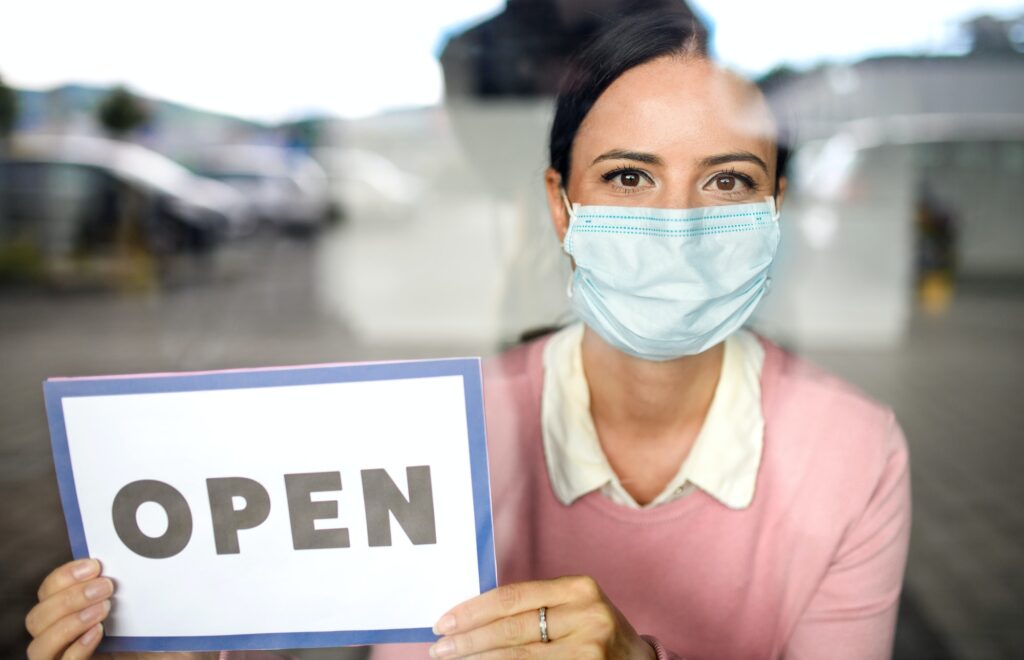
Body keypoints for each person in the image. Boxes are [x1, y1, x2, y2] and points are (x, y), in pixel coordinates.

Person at [25, 11, 910, 660]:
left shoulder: (853, 454)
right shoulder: (446, 431)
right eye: (629, 176)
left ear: (775, 206)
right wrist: (167, 632)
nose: (676, 228)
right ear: (560, 205)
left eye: (725, 182)